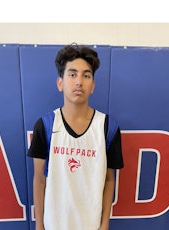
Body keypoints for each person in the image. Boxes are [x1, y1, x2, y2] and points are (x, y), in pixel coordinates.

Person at [28, 43, 124, 230]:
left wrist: (104, 225)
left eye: (86, 75)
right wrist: (39, 225)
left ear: (93, 85)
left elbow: (109, 179)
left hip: (91, 225)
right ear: (60, 83)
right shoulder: (46, 125)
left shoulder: (107, 127)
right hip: (54, 224)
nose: (79, 81)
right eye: (72, 74)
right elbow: (39, 180)